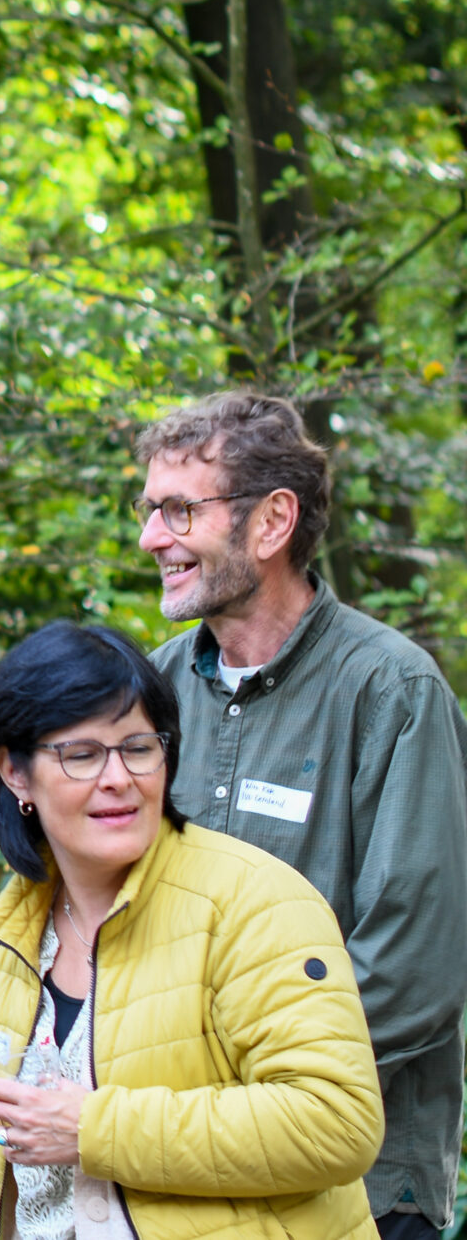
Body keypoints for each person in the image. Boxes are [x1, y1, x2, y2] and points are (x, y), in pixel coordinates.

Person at [132, 392, 467, 1240]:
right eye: (148, 510)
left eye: (178, 509)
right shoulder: (151, 691)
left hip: (360, 1185)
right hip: (190, 1180)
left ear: (272, 520)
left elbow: (417, 964)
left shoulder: (392, 690)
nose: (151, 538)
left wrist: (249, 1086)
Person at [0, 620, 384, 1240]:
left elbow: (336, 1123)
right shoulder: (13, 931)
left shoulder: (251, 903)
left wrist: (92, 1130)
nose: (118, 778)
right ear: (16, 773)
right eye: (80, 754)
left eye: (138, 747)